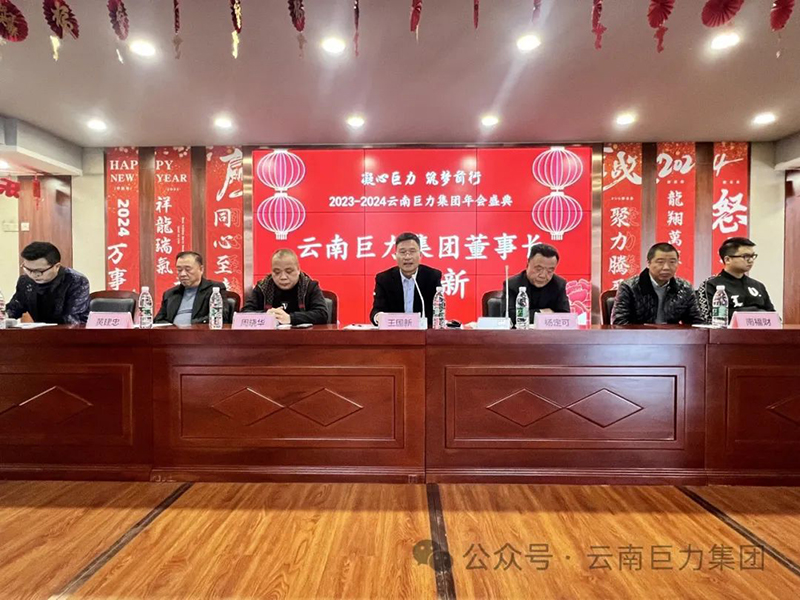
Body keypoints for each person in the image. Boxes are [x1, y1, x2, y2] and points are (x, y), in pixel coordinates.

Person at [612, 242, 702, 325]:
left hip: (673, 336)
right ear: (648, 263)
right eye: (660, 262)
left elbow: (697, 323)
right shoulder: (629, 287)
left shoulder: (685, 288)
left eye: (672, 262)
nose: (666, 267)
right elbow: (620, 323)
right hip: (639, 336)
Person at [5, 241, 90, 324]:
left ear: (56, 266)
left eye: (39, 271)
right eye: (28, 269)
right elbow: (14, 308)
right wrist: (4, 315)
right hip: (40, 331)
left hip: (69, 331)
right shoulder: (26, 281)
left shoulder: (76, 281)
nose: (34, 275)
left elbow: (73, 319)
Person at [370, 232, 442, 326]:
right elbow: (377, 310)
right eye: (403, 252)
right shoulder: (384, 279)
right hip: (394, 333)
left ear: (420, 255)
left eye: (412, 251)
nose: (407, 257)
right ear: (395, 255)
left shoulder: (432, 277)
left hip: (424, 333)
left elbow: (438, 312)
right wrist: (378, 317)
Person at [696, 237, 775, 323]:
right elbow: (707, 318)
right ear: (727, 259)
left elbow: (773, 316)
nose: (751, 260)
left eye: (753, 256)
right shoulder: (711, 285)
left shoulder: (758, 285)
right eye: (745, 256)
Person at [243, 249, 328, 325]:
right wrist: (266, 315)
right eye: (277, 272)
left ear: (298, 270)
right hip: (269, 337)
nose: (283, 277)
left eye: (289, 271)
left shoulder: (309, 286)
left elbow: (322, 314)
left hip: (304, 336)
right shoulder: (263, 287)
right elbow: (244, 314)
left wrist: (291, 318)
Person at [501, 243, 571, 325]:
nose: (543, 275)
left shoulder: (558, 285)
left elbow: (565, 317)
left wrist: (531, 314)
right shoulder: (512, 284)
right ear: (528, 264)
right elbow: (510, 316)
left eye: (550, 271)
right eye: (538, 269)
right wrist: (541, 313)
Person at [154, 251, 231, 325]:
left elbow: (219, 316)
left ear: (201, 269)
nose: (182, 274)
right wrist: (173, 328)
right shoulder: (170, 294)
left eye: (188, 269)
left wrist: (189, 325)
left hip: (200, 333)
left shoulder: (214, 289)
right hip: (172, 333)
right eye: (179, 270)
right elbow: (158, 321)